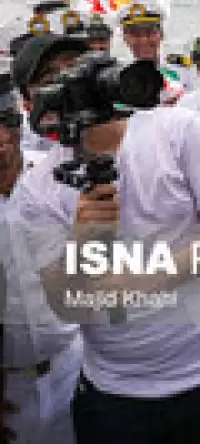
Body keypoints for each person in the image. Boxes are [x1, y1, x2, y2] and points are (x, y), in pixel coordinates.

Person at [13, 35, 200, 443]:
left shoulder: (180, 131)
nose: (75, 81)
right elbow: (63, 301)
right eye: (52, 76)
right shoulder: (36, 189)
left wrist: (147, 280)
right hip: (115, 393)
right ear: (29, 105)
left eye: (80, 65)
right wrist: (85, 242)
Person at [0, 71, 83, 443]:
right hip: (9, 390)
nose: (1, 142)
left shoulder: (61, 175)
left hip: (75, 368)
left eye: (7, 124)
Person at [116, 1, 197, 100]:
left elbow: (199, 106)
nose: (143, 40)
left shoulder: (183, 70)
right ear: (125, 38)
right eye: (135, 33)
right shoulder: (116, 76)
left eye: (150, 32)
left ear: (161, 34)